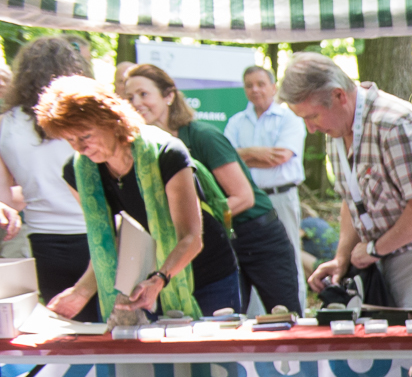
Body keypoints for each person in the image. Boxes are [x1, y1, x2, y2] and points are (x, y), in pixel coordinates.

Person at [34, 76, 241, 319]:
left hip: (208, 275)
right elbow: (107, 243)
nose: (79, 148)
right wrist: (81, 292)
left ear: (111, 121)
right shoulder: (79, 171)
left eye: (85, 136)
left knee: (211, 345)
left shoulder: (167, 153)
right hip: (151, 280)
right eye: (70, 140)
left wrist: (160, 278)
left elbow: (191, 237)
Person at [283, 53, 412, 308]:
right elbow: (353, 201)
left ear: (339, 96)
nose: (310, 128)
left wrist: (375, 248)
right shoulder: (338, 130)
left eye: (312, 116)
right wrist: (342, 258)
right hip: (385, 256)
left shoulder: (395, 124)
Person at [124, 64, 302, 314]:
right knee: (228, 321)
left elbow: (244, 198)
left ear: (169, 96)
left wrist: (190, 225)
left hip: (257, 235)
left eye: (143, 94)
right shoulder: (145, 148)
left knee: (285, 315)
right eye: (129, 97)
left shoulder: (202, 136)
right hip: (217, 244)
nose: (136, 103)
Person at [0, 38, 93, 305]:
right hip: (93, 233)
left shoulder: (5, 125)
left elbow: (4, 202)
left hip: (40, 240)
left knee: (59, 318)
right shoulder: (85, 119)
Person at [225, 64, 308, 240]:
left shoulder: (290, 119)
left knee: (287, 249)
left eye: (260, 84)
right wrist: (254, 151)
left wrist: (242, 158)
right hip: (248, 199)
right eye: (249, 85)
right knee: (251, 249)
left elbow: (280, 157)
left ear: (273, 88)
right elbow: (225, 158)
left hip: (281, 197)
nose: (255, 89)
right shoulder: (236, 122)